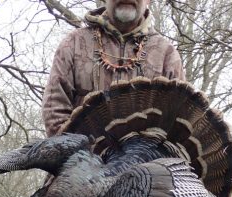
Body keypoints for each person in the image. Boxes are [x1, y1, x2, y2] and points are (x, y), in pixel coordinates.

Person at [42, 0, 185, 137]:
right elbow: (55, 111)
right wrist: (77, 158)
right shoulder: (74, 43)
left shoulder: (166, 53)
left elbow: (178, 119)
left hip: (149, 159)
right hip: (82, 158)